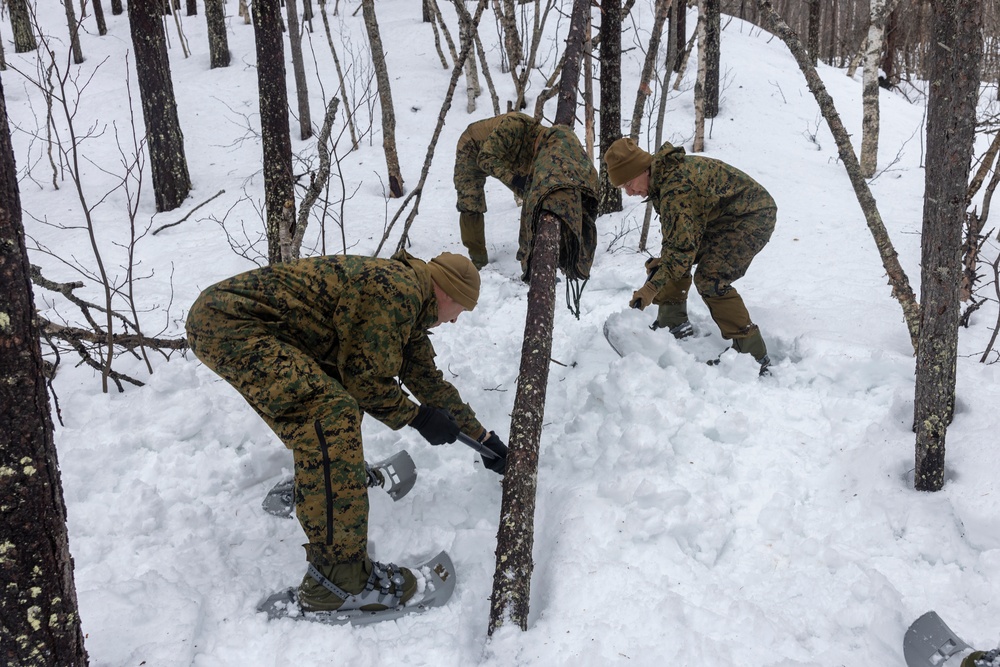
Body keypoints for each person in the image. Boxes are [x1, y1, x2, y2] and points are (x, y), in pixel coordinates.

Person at [185, 251, 506, 613]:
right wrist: (416, 418)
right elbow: (367, 382)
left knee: (337, 403)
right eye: (461, 310)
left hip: (244, 324)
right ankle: (339, 582)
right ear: (447, 292)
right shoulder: (397, 292)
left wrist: (483, 441)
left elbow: (427, 382)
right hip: (229, 324)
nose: (455, 321)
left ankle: (329, 486)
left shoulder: (410, 301)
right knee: (330, 414)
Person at [605, 137, 776, 373]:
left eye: (629, 183)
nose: (630, 192)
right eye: (623, 187)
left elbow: (680, 252)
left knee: (711, 278)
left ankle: (752, 353)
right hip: (723, 218)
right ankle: (673, 322)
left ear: (643, 169)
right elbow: (677, 246)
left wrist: (649, 290)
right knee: (670, 261)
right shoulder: (662, 180)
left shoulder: (676, 189)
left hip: (751, 217)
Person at [453, 112, 599, 287]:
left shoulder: (542, 145)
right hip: (472, 148)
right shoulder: (513, 127)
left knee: (535, 197)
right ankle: (479, 262)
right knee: (471, 202)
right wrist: (514, 179)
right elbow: (484, 159)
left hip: (505, 156)